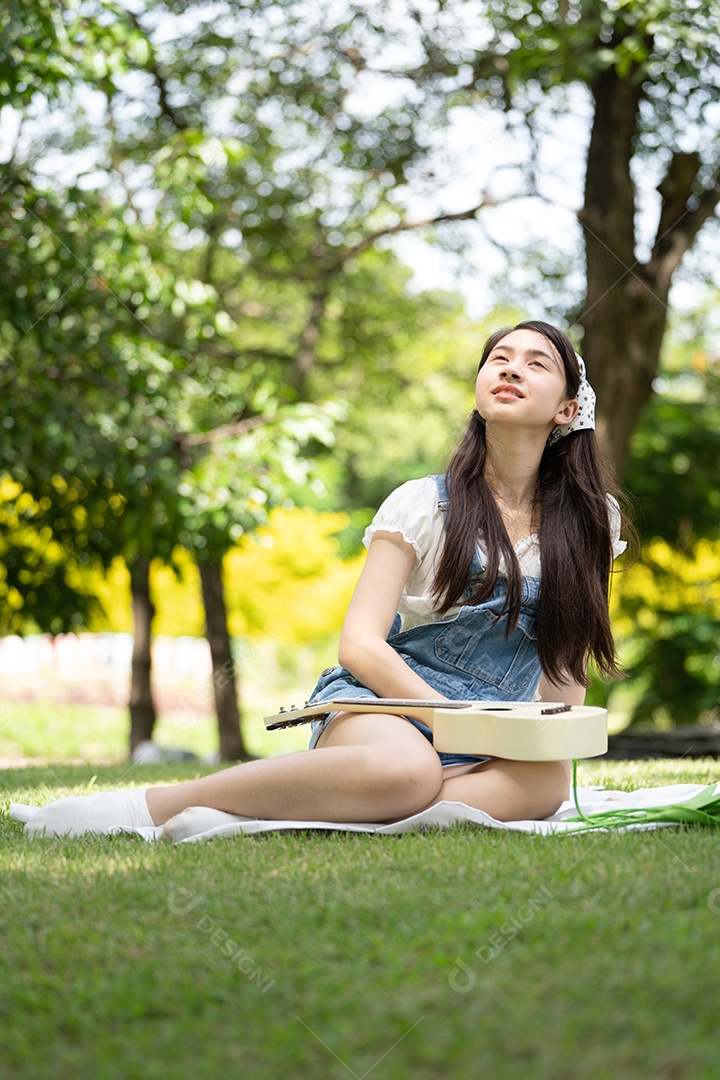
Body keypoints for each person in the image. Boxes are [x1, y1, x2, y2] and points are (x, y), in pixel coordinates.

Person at [19, 320, 629, 840]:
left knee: (548, 779)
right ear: (478, 391)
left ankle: (314, 811)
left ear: (567, 410)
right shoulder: (424, 504)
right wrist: (449, 718)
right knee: (409, 775)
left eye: (536, 363)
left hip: (488, 727)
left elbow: (563, 665)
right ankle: (157, 807)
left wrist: (549, 733)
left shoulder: (592, 521)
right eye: (499, 358)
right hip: (383, 707)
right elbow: (359, 646)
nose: (511, 369)